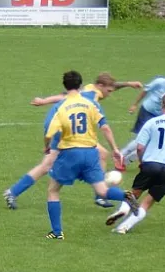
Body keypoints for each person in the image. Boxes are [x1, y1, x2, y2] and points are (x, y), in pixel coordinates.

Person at [20, 74, 143, 208]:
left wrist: (128, 83)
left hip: (63, 127)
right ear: (100, 86)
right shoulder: (91, 97)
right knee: (48, 168)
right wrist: (44, 101)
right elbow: (64, 97)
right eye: (109, 91)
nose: (109, 94)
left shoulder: (91, 88)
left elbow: (109, 86)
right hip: (66, 131)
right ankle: (101, 194)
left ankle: (100, 194)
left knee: (101, 154)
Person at [43, 70, 139, 239]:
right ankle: (125, 195)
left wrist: (47, 148)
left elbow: (49, 134)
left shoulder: (61, 106)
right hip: (91, 153)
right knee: (102, 190)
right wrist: (115, 149)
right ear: (81, 86)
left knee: (53, 190)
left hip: (70, 153)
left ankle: (57, 232)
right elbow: (105, 128)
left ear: (65, 86)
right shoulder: (91, 104)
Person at [106, 93, 165, 234]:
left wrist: (142, 161)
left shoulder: (152, 122)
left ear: (162, 105)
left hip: (151, 164)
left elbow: (139, 147)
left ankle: (122, 210)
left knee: (134, 194)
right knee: (147, 202)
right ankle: (123, 227)